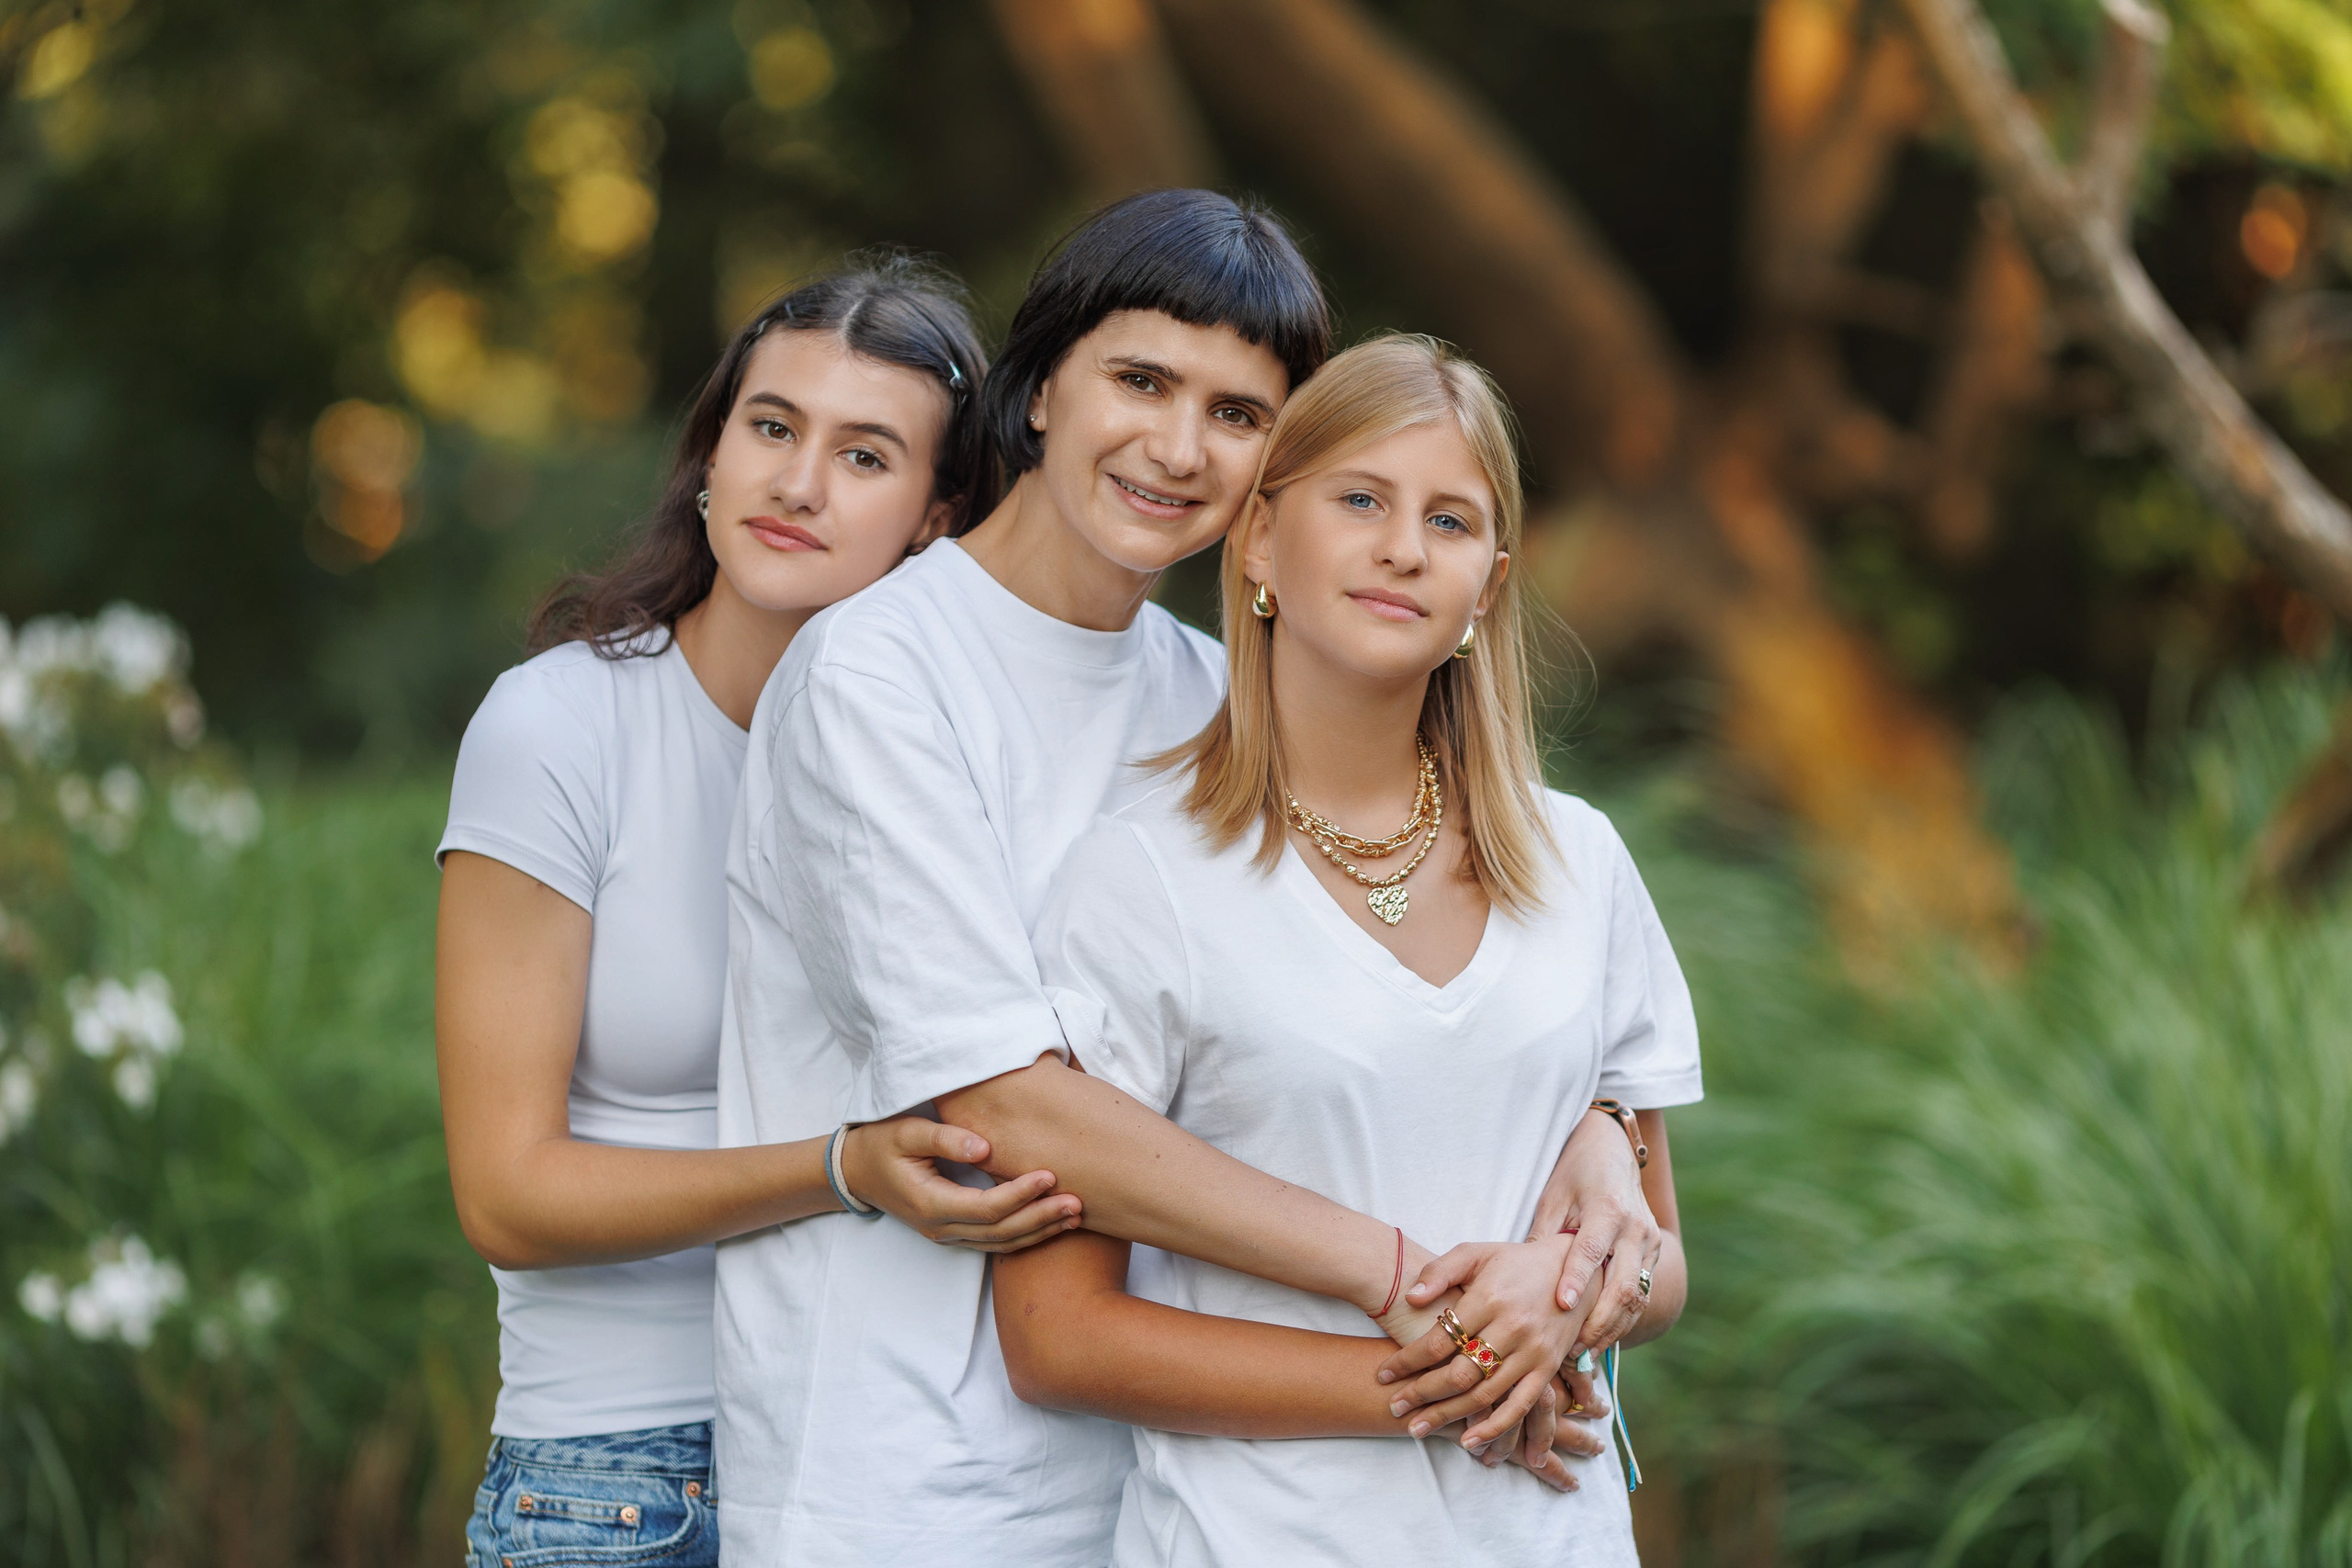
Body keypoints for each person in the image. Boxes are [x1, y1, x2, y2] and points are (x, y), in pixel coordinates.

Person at [715, 191, 1667, 1567]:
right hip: (906, 1472)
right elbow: (1001, 1101)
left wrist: (1593, 1122)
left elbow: (1377, 1008)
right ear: (1041, 390)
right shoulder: (879, 676)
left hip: (1177, 1481)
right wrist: (1409, 1289)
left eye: (1238, 414)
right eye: (1143, 381)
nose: (1178, 446)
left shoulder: (1213, 699)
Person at [993, 333, 1702, 1565]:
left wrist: (1569, 1298)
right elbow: (1060, 1338)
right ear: (1261, 540)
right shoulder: (1141, 879)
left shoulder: (1579, 863)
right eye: (1361, 499)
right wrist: (1459, 1376)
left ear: (1488, 583)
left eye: (1450, 519)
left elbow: (1665, 1268)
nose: (1403, 547)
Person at [435, 259, 1073, 1568]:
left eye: (865, 454)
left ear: (938, 517)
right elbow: (507, 1192)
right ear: (711, 456)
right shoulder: (561, 727)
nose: (798, 483)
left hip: (896, 1459)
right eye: (773, 428)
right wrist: (842, 1168)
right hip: (626, 1473)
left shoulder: (980, 761)